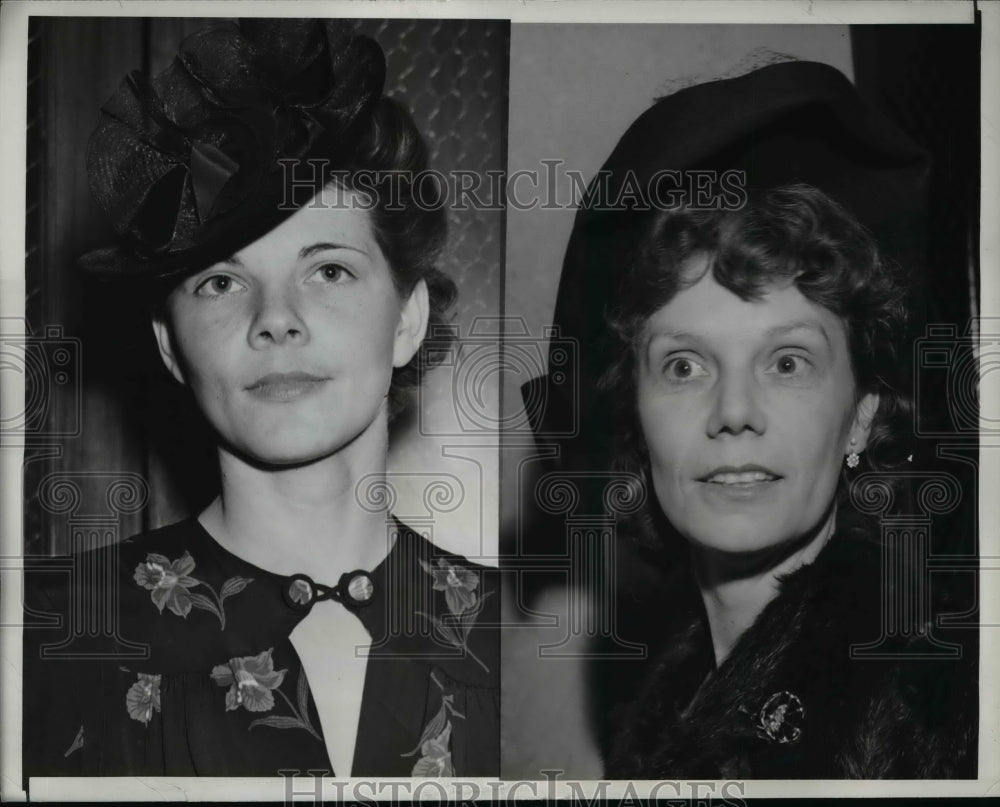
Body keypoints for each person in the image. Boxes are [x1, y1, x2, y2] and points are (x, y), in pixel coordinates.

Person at [23, 19, 498, 779]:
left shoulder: (515, 637)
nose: (275, 318)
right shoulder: (43, 635)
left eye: (329, 270)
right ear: (171, 345)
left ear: (406, 320)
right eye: (221, 280)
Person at [526, 60, 976, 778]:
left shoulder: (932, 708)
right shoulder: (663, 703)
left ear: (863, 416)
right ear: (634, 421)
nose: (734, 412)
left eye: (787, 362)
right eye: (684, 365)